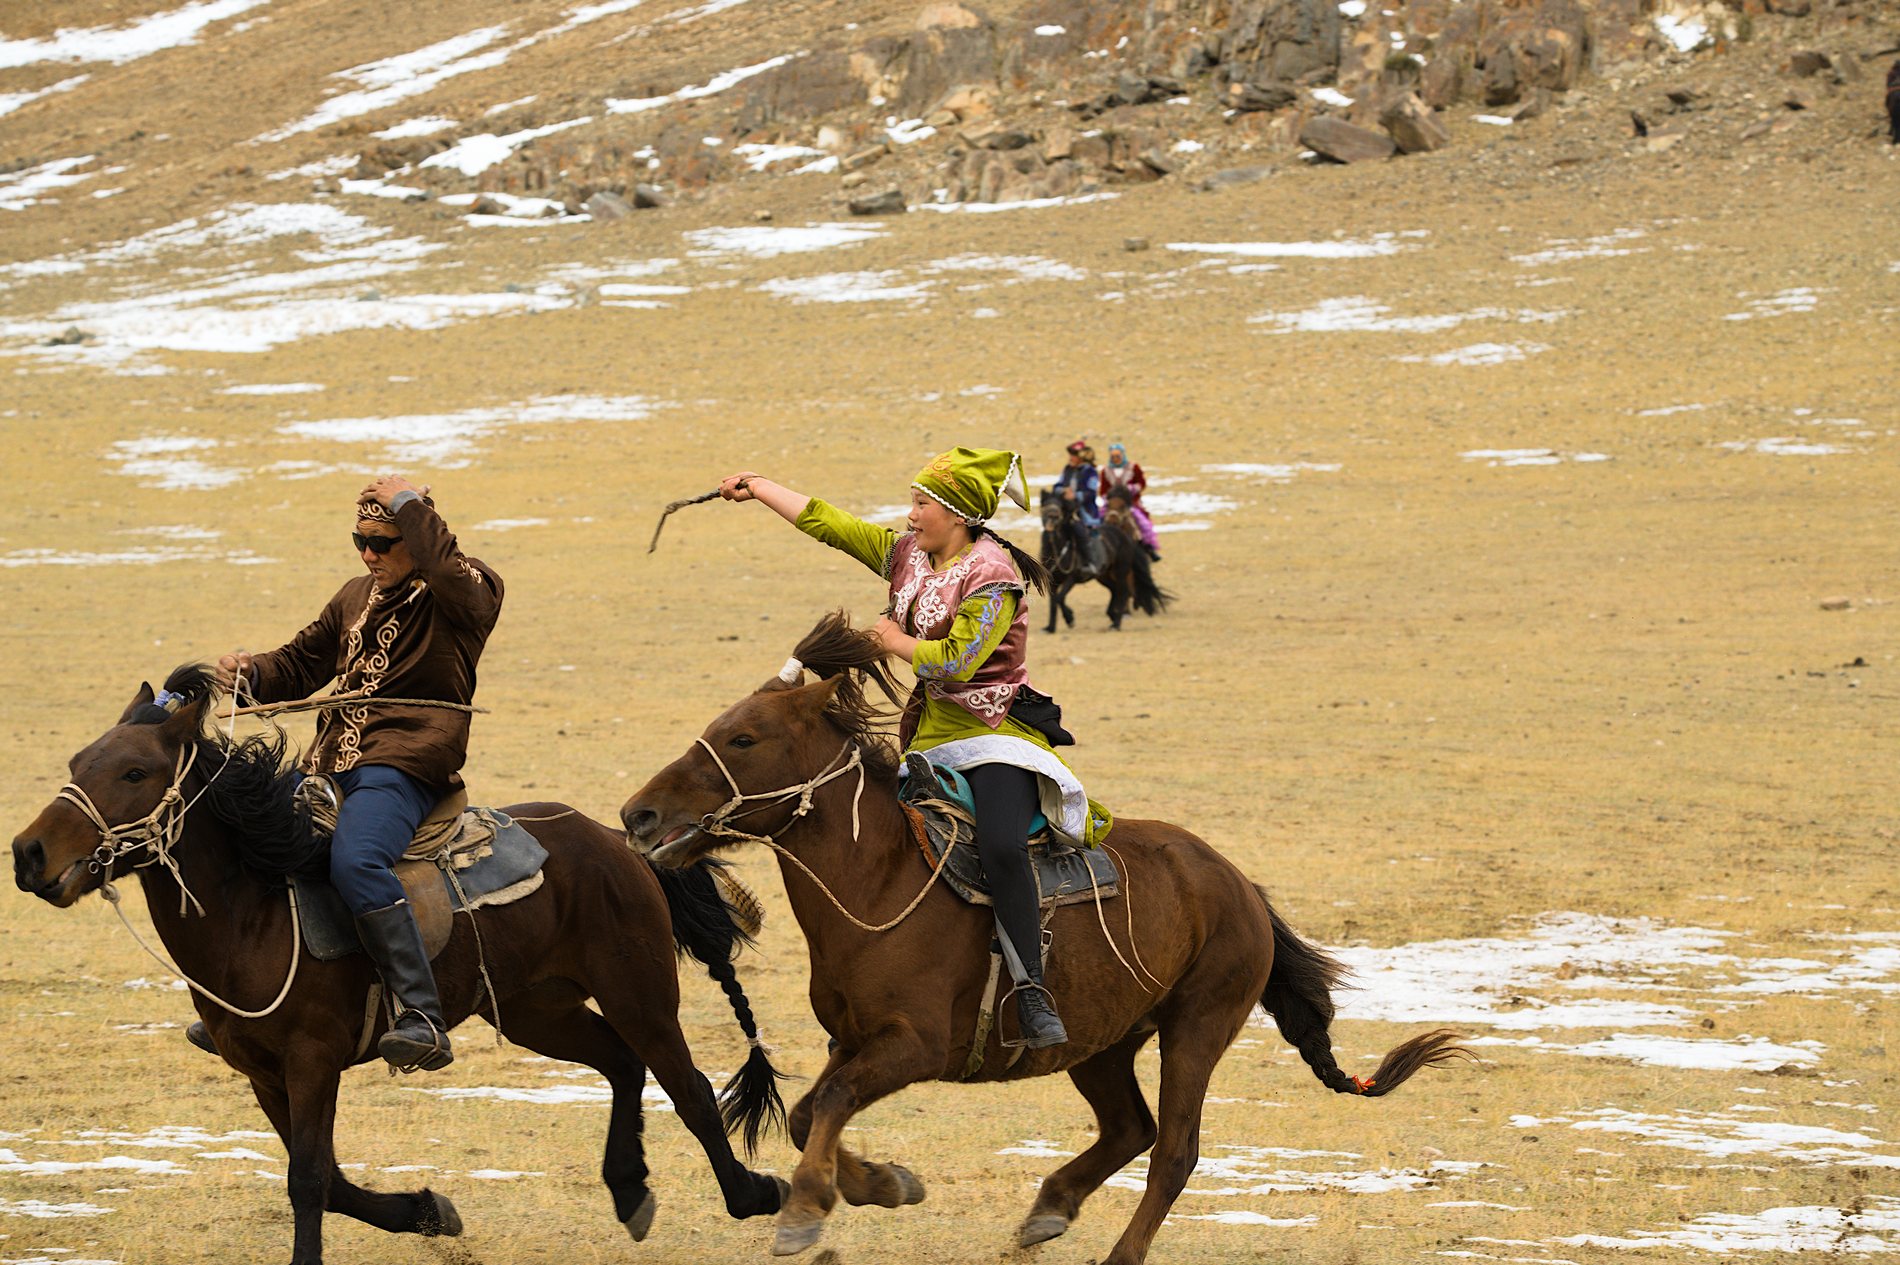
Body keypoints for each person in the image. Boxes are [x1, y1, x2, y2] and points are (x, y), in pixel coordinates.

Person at [717, 451, 1112, 1049]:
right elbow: (834, 525)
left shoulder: (993, 576)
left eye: (922, 503)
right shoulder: (910, 555)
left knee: (1003, 845)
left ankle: (1032, 990)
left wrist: (891, 638)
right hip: (925, 739)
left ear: (957, 514)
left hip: (993, 732)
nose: (911, 513)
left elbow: (957, 661)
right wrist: (762, 486)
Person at [197, 476, 504, 1072]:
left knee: (357, 860)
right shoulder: (353, 594)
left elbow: (446, 573)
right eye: (359, 541)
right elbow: (301, 661)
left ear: (420, 536)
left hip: (407, 762)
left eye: (384, 542)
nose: (369, 554)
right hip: (329, 763)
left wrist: (409, 502)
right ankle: (253, 1001)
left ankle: (422, 1014)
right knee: (248, 835)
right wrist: (251, 673)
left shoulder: (469, 588)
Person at [1099, 441, 1160, 561]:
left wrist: (1132, 489)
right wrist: (1108, 497)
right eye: (1113, 456)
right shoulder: (1105, 471)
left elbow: (1141, 482)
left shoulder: (1133, 467)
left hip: (1130, 502)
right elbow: (1103, 489)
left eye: (1118, 456)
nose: (1116, 459)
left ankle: (1148, 546)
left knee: (1141, 521)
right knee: (1100, 519)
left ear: (1122, 455)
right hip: (1112, 503)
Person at [1050, 439, 1101, 561]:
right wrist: (1063, 491)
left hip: (1083, 511)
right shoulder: (1067, 469)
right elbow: (1057, 486)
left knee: (1079, 530)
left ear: (1080, 457)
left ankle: (1090, 561)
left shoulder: (1090, 472)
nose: (1070, 458)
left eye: (1073, 455)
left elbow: (1091, 492)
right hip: (1066, 508)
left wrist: (1075, 496)